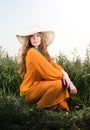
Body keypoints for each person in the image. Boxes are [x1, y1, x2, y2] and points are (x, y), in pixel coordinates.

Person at [16, 25, 77, 112]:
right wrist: (68, 82)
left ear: (41, 38)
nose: (35, 38)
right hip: (30, 91)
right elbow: (50, 72)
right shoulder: (32, 52)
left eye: (38, 36)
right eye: (32, 36)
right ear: (29, 39)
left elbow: (55, 65)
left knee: (60, 83)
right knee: (58, 84)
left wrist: (66, 75)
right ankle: (39, 108)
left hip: (39, 87)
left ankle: (52, 106)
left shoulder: (42, 53)